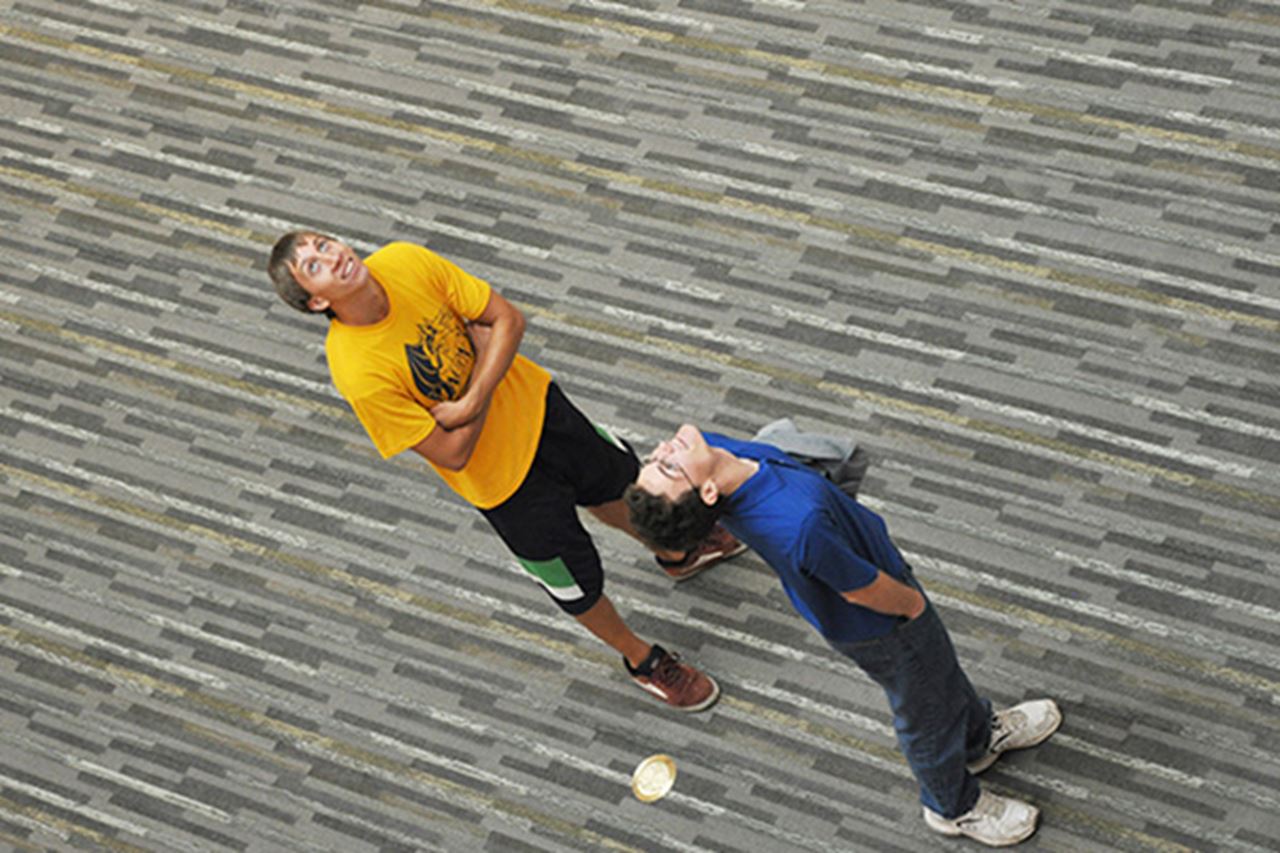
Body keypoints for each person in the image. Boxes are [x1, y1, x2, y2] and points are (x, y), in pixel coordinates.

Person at [266, 232, 747, 711]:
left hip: (543, 409)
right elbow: (451, 452)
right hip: (505, 486)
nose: (332, 257)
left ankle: (676, 552)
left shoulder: (404, 261)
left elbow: (509, 319)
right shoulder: (358, 372)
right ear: (316, 303)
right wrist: (488, 351)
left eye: (323, 245)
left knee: (619, 486)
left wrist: (473, 397)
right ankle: (642, 660)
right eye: (313, 267)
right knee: (575, 584)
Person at [625, 424, 1062, 846]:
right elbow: (860, 589)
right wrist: (912, 607)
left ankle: (976, 736)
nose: (665, 448)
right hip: (883, 624)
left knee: (939, 674)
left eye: (655, 457)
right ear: (706, 493)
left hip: (880, 586)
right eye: (667, 467)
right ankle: (952, 806)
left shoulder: (715, 454)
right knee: (923, 709)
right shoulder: (797, 526)